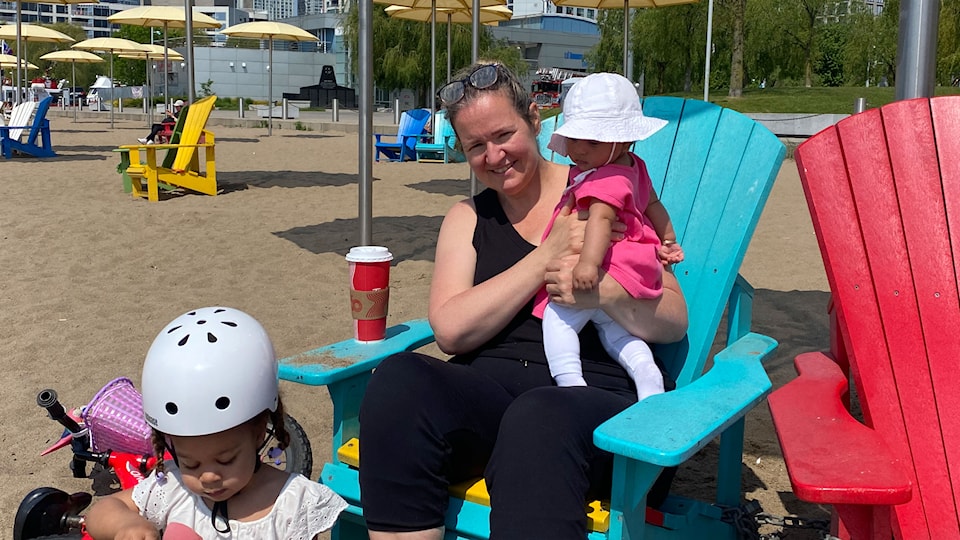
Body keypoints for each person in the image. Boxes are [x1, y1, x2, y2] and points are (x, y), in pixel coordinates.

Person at [357, 62, 688, 540]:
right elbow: (450, 331)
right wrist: (545, 258)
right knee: (398, 379)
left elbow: (675, 320)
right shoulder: (467, 218)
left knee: (538, 416)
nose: (494, 156)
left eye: (503, 134)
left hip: (598, 404)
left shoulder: (604, 190)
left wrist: (603, 291)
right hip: (491, 402)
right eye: (475, 146)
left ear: (535, 119)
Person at [84, 306, 347, 539]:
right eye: (190, 463)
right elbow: (102, 510)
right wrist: (124, 525)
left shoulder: (292, 504)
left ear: (258, 433)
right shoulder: (173, 489)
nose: (208, 476)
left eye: (226, 460)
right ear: (170, 444)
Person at [536, 72, 685, 402]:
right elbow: (653, 204)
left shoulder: (605, 180)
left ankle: (570, 381)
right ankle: (647, 376)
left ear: (624, 140)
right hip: (629, 270)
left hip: (599, 267)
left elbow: (600, 221)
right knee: (616, 333)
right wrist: (668, 239)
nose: (578, 150)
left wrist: (588, 266)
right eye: (575, 139)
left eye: (592, 142)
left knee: (557, 320)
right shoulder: (635, 166)